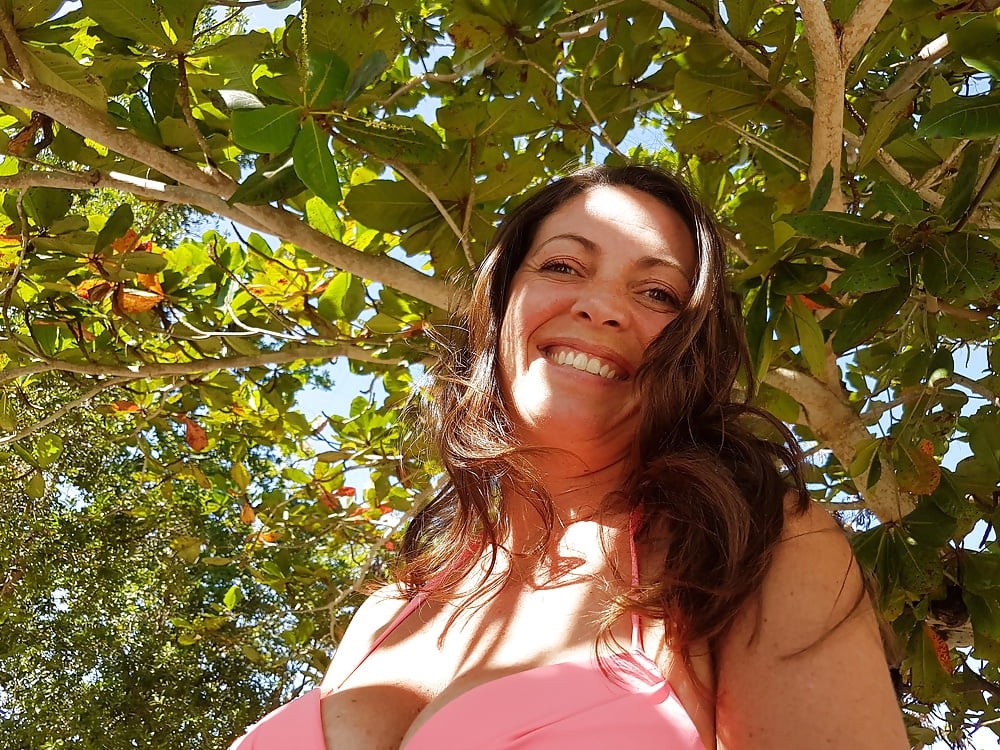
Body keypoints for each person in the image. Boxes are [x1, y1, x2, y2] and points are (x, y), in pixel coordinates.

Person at [230, 165, 908, 749]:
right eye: (563, 266)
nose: (602, 306)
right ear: (500, 305)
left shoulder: (750, 547)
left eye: (657, 293)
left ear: (691, 352)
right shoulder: (384, 615)